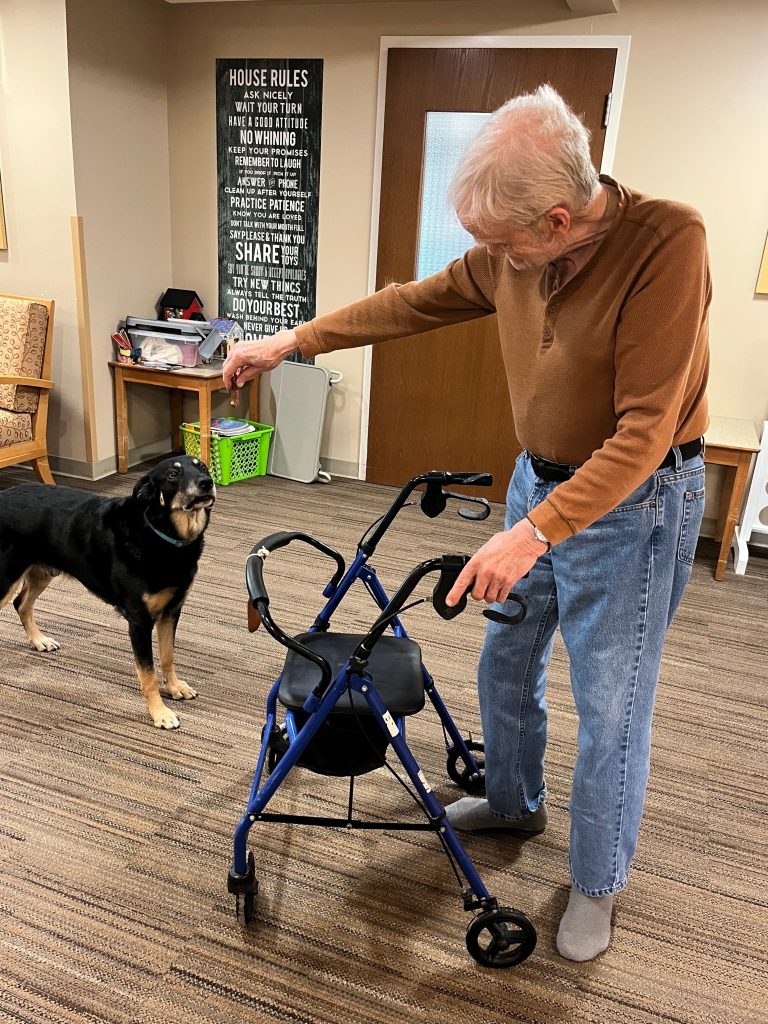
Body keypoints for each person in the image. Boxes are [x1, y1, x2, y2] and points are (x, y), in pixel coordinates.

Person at [223, 85, 710, 962]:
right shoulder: (513, 257)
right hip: (539, 485)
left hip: (637, 505)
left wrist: (531, 535)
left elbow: (644, 433)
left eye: (500, 242)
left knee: (612, 707)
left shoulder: (668, 244)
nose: (489, 257)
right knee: (505, 658)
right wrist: (292, 342)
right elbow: (411, 302)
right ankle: (515, 802)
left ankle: (597, 882)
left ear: (559, 221)